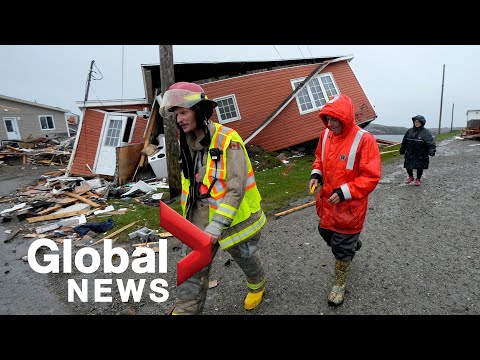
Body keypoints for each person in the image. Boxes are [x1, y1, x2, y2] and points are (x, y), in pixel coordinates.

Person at [159, 82, 267, 315]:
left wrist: (217, 224)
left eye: (184, 112)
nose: (179, 119)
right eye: (176, 114)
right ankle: (185, 310)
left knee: (245, 255)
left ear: (199, 110)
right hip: (199, 215)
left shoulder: (229, 139)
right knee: (192, 266)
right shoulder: (186, 142)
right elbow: (192, 182)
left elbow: (236, 188)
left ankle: (258, 286)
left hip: (235, 219)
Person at [308, 94, 381, 306]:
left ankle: (339, 284)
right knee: (325, 232)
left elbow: (371, 176)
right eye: (327, 119)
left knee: (341, 247)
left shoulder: (364, 139)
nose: (330, 124)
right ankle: (350, 246)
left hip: (350, 208)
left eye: (334, 119)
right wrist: (316, 175)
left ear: (346, 117)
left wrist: (344, 192)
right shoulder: (326, 135)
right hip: (327, 205)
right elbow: (319, 159)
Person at [399, 115, 436, 186]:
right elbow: (404, 141)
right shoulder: (409, 131)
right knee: (408, 165)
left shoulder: (426, 132)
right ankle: (411, 177)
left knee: (420, 167)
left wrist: (432, 150)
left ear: (422, 123)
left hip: (421, 154)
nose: (417, 123)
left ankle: (418, 179)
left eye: (418, 122)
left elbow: (430, 142)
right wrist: (402, 149)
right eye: (416, 122)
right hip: (410, 152)